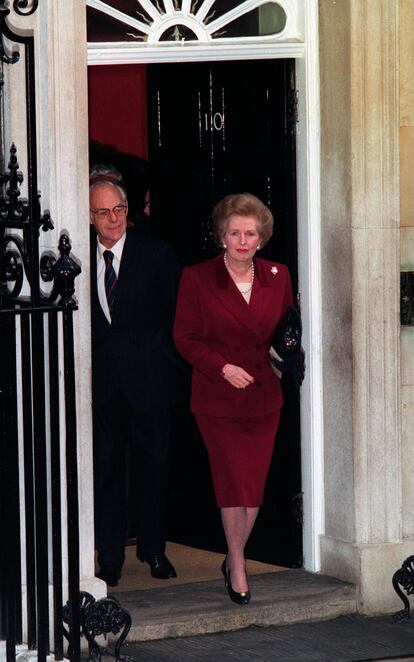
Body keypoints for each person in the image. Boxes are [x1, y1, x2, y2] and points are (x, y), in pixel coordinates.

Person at [173, 192, 294, 605]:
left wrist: (286, 361)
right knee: (231, 484)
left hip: (263, 397)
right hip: (218, 398)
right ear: (221, 237)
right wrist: (222, 367)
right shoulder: (198, 278)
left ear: (262, 238)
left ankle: (233, 554)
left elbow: (287, 332)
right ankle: (238, 560)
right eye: (234, 233)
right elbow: (184, 337)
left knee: (254, 486)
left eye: (251, 233)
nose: (243, 241)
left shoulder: (279, 275)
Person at [90, 179, 182, 586]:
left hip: (151, 383)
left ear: (129, 210)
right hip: (101, 386)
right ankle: (110, 558)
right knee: (106, 472)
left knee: (154, 467)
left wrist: (165, 365)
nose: (113, 220)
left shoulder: (157, 254)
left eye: (119, 210)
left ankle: (153, 549)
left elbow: (177, 319)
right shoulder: (72, 257)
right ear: (90, 216)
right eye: (103, 212)